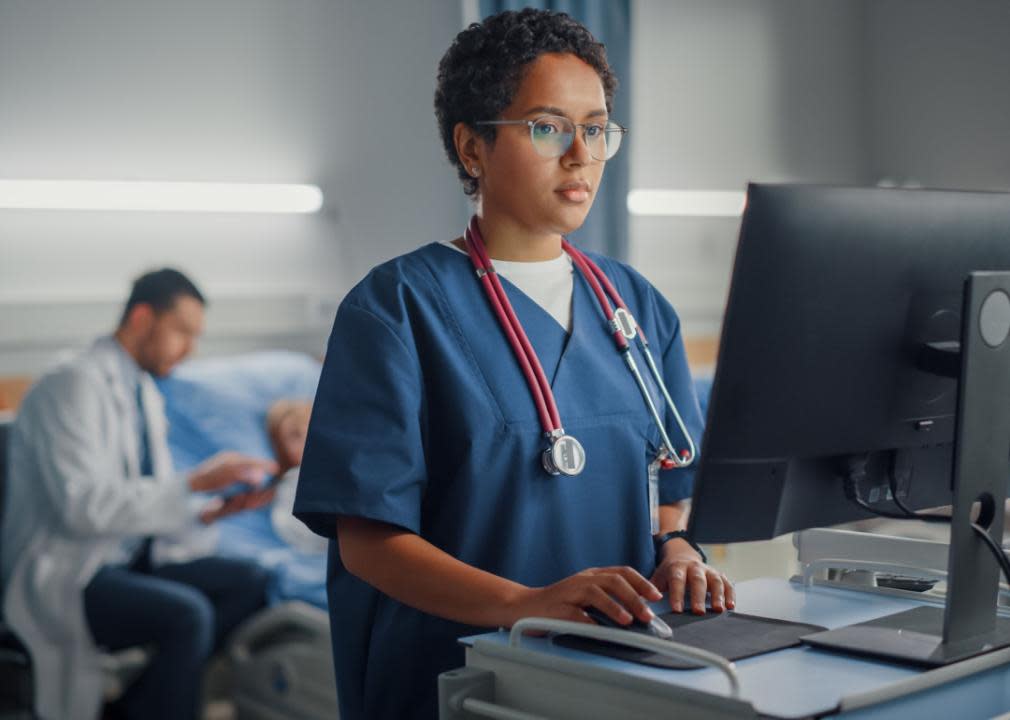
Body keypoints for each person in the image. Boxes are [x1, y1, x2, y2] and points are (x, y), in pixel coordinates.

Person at [293, 9, 734, 719]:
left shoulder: (638, 306)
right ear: (472, 147)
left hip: (616, 676)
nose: (580, 154)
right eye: (548, 126)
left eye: (595, 129)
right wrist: (524, 605)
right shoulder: (397, 308)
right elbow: (368, 543)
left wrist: (679, 553)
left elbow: (669, 494)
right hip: (458, 680)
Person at [0, 268, 279, 720]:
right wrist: (194, 482)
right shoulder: (71, 384)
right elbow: (83, 508)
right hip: (70, 570)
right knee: (186, 615)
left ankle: (139, 707)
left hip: (126, 555)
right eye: (183, 332)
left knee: (250, 581)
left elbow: (146, 497)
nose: (190, 350)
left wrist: (210, 511)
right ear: (143, 317)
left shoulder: (143, 391)